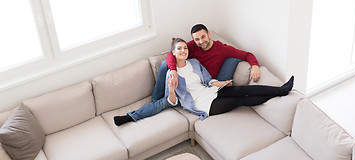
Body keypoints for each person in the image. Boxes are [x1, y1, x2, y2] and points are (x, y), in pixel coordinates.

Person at [114, 38, 294, 125]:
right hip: (202, 104)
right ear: (173, 53)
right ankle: (130, 117)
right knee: (241, 100)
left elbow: (208, 81)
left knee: (239, 89)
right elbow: (172, 101)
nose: (184, 50)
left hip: (210, 91)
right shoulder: (172, 72)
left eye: (185, 47)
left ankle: (281, 90)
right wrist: (170, 88)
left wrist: (222, 83)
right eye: (179, 49)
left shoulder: (194, 62)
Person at [151, 24, 261, 101]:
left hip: (210, 81)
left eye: (203, 37)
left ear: (208, 34)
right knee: (165, 64)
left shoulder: (222, 48)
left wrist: (255, 66)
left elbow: (247, 55)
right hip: (195, 78)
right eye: (197, 39)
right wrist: (174, 71)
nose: (201, 42)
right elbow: (171, 54)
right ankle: (156, 99)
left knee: (233, 59)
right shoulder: (192, 46)